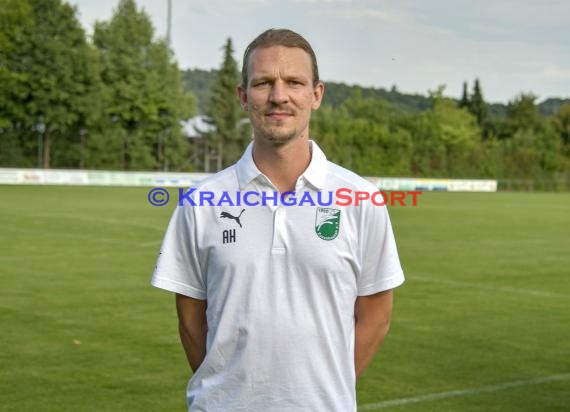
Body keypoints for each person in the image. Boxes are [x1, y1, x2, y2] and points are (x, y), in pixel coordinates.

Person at [151, 28, 405, 411]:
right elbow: (190, 320)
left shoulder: (361, 200)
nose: (278, 96)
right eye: (264, 82)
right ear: (243, 95)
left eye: (294, 82)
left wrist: (323, 389)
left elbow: (376, 315)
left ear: (316, 95)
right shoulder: (202, 202)